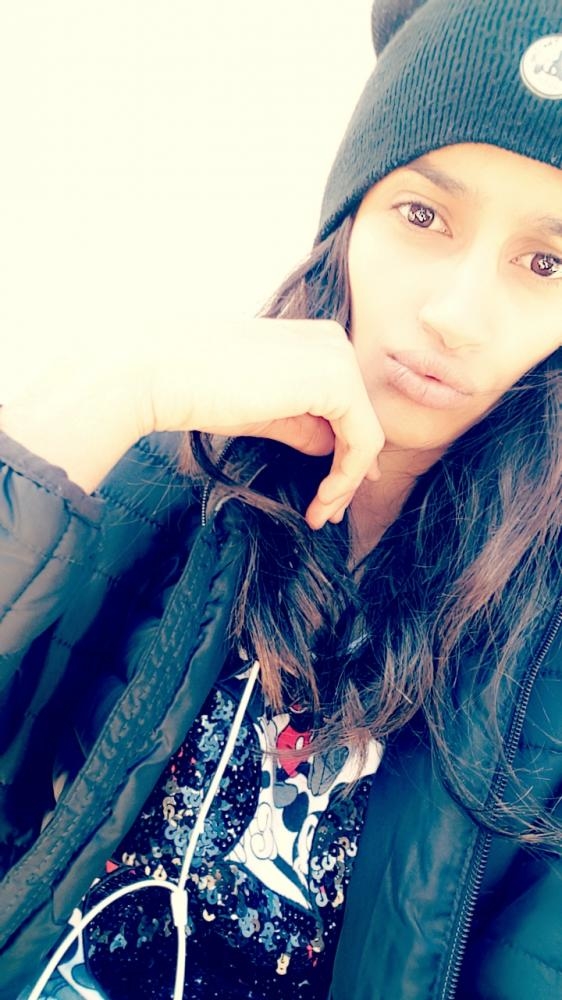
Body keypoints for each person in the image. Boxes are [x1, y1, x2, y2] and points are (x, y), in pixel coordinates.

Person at [0, 0, 561, 997]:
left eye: (545, 261)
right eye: (422, 215)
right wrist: (117, 388)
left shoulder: (544, 641)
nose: (456, 315)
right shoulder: (170, 460)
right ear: (349, 215)